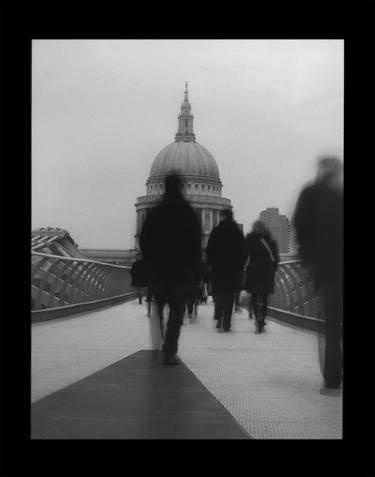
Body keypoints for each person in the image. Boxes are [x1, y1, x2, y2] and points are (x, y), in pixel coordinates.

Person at [139, 173, 201, 365]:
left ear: (164, 187)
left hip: (158, 269)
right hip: (180, 271)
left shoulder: (154, 212)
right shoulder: (188, 212)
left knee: (157, 307)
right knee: (177, 310)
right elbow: (195, 244)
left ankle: (159, 340)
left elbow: (144, 240)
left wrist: (150, 260)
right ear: (180, 187)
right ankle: (170, 349)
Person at [292, 156, 343, 389]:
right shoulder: (340, 196)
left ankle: (332, 375)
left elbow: (300, 224)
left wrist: (307, 257)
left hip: (326, 268)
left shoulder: (310, 193)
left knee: (331, 324)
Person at [206, 209, 245, 332]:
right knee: (230, 294)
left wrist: (211, 263)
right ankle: (227, 321)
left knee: (219, 292)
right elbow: (243, 252)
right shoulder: (237, 233)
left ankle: (218, 317)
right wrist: (240, 266)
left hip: (218, 267)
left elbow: (210, 249)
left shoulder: (216, 231)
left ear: (222, 217)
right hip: (233, 268)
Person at [243, 220, 279, 333]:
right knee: (264, 296)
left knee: (254, 295)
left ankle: (256, 319)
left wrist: (245, 268)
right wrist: (272, 269)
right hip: (267, 272)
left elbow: (244, 255)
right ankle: (262, 319)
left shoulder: (249, 240)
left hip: (253, 271)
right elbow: (276, 259)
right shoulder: (271, 241)